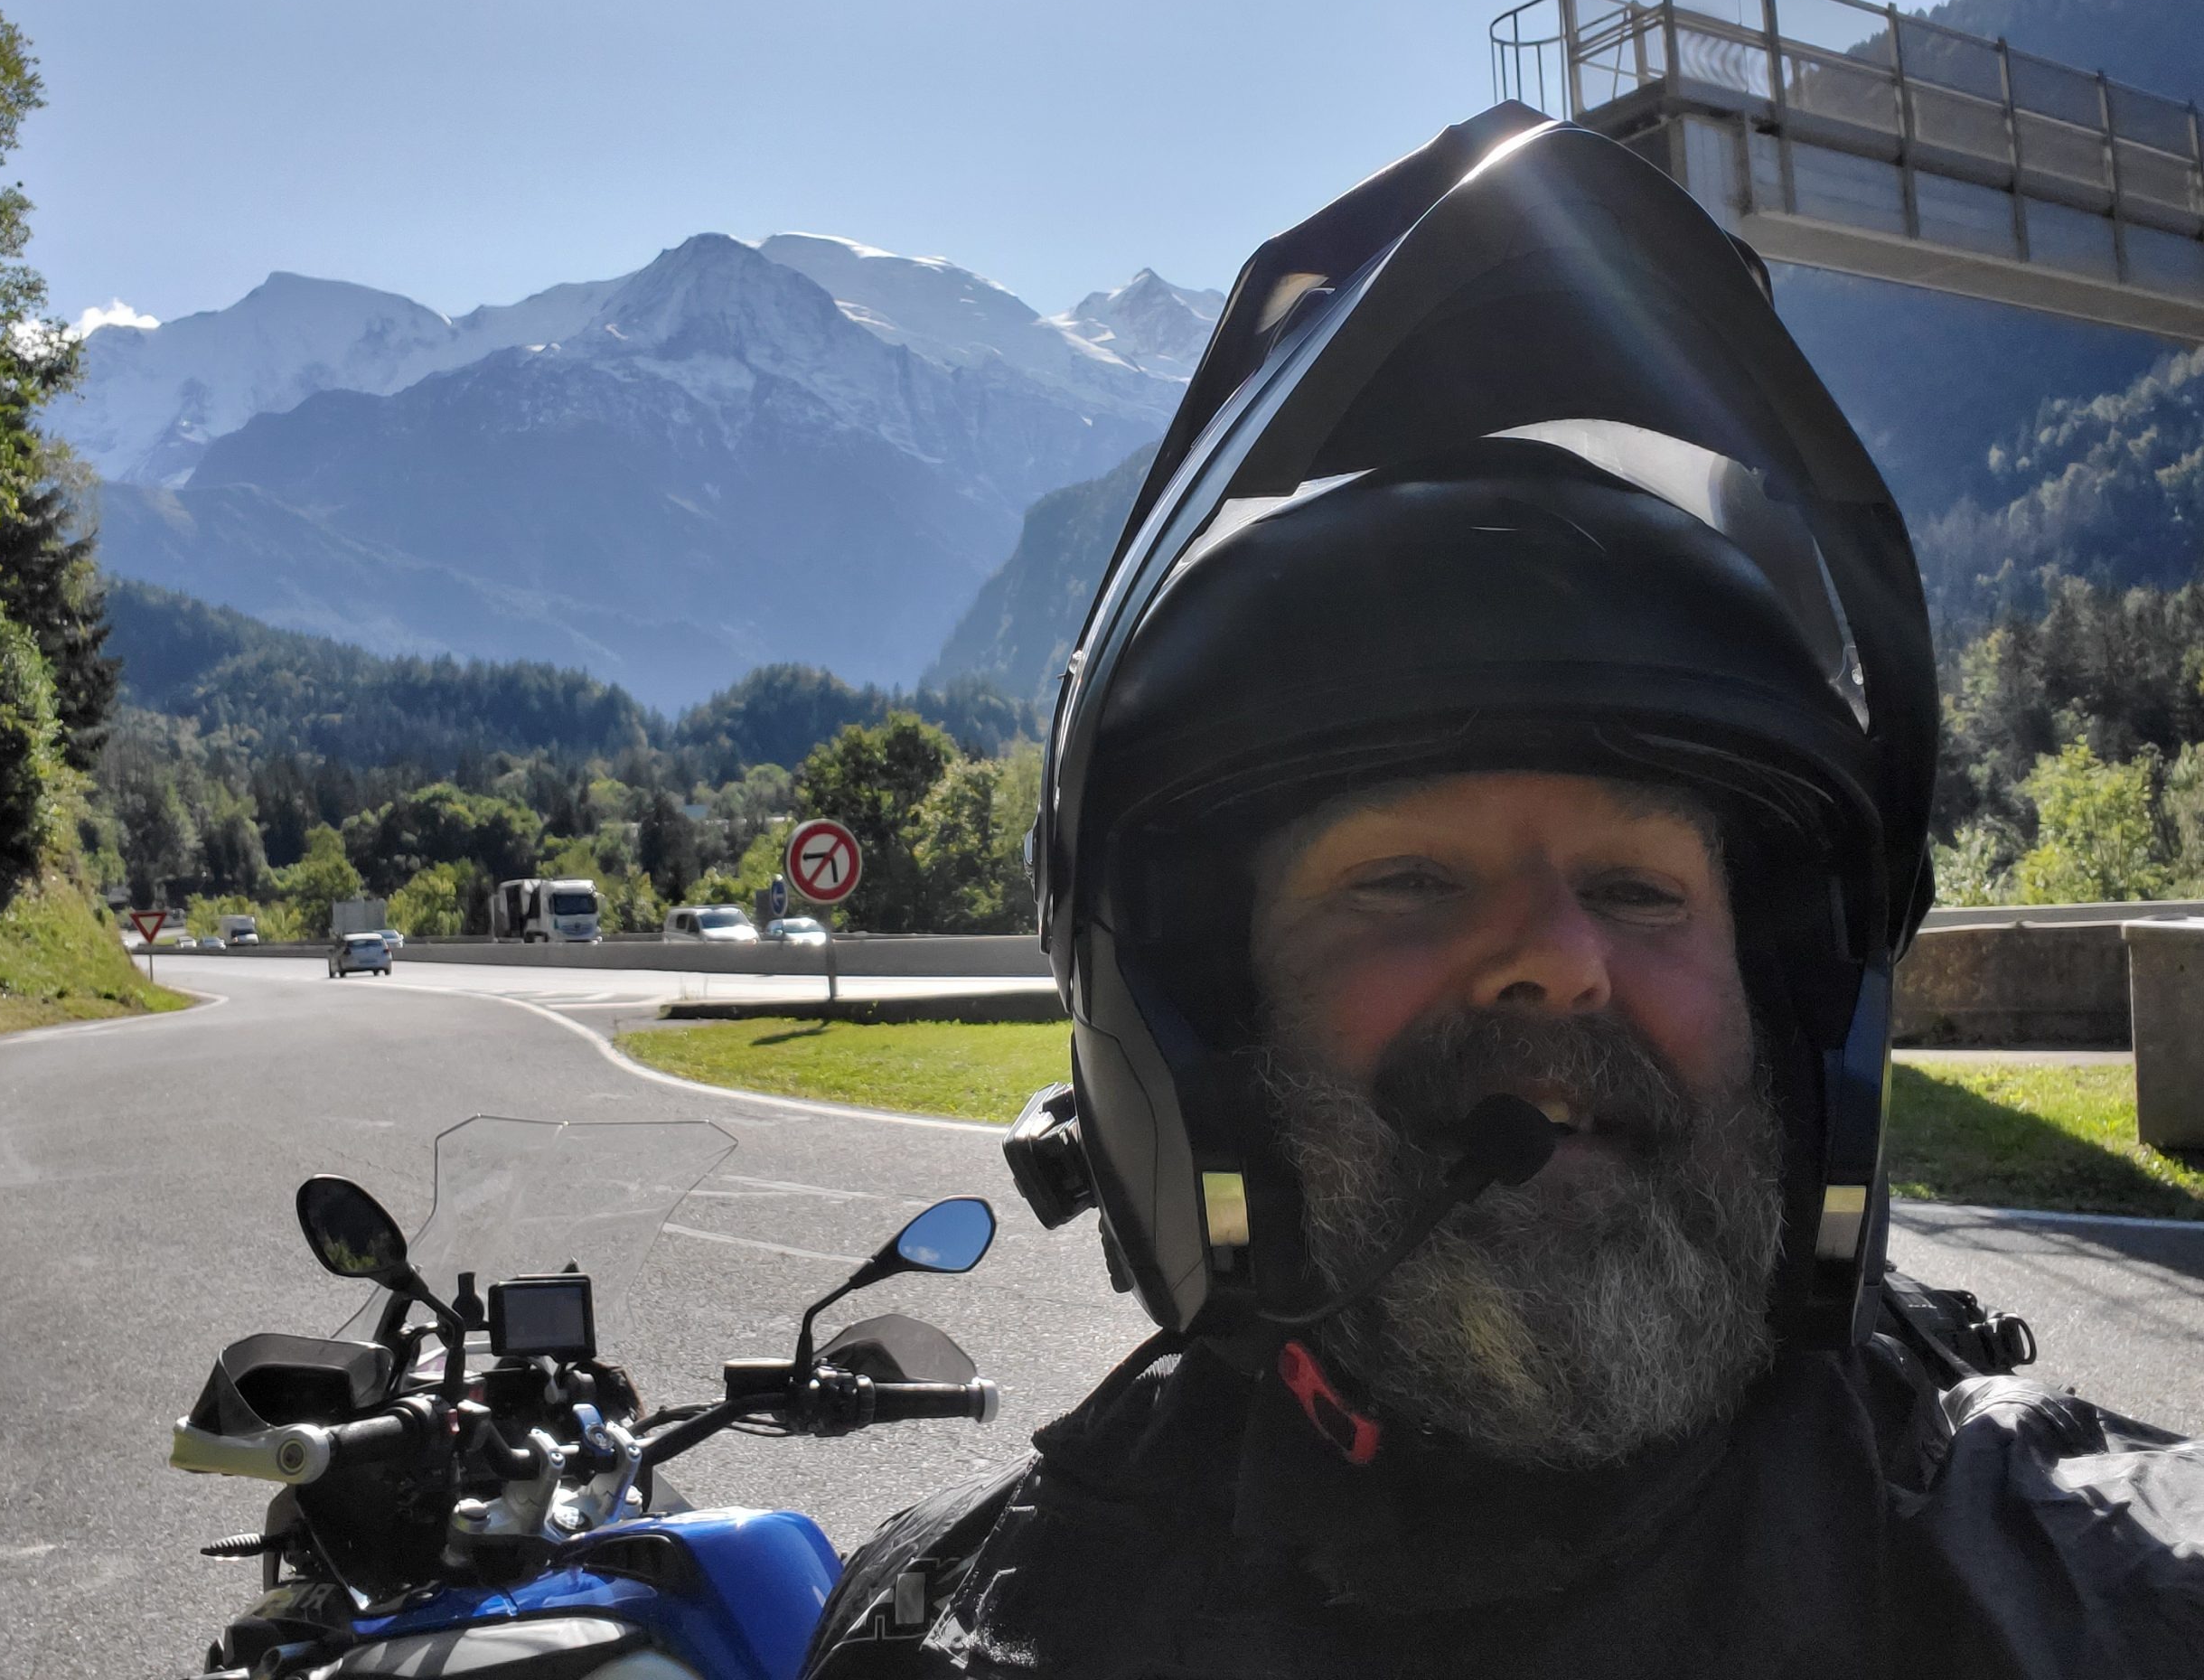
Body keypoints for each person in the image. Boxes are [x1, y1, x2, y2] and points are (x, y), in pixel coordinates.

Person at [800, 105, 2204, 1679]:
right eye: (1407, 878)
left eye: (1641, 887)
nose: (1557, 958)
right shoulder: (956, 1630)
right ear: (1200, 1022)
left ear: (1800, 1009)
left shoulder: (2086, 1586)